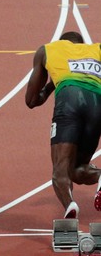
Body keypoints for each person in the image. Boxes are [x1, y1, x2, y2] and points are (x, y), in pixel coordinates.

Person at [25, 31, 101, 219]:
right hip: (97, 103)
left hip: (69, 99)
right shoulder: (97, 49)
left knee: (61, 167)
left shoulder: (48, 50)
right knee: (77, 169)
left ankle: (70, 205)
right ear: (81, 45)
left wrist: (52, 84)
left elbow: (32, 100)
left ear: (62, 42)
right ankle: (100, 176)